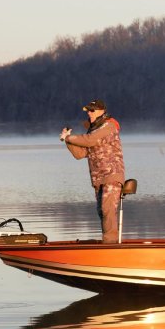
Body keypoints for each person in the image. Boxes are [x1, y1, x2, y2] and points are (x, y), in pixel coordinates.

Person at [59, 99, 125, 244]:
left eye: (92, 110)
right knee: (102, 212)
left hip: (112, 175)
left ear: (101, 111)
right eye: (88, 110)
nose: (89, 113)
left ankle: (110, 244)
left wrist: (70, 137)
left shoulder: (109, 126)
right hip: (98, 179)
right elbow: (80, 154)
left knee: (107, 210)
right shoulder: (94, 130)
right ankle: (108, 243)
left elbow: (89, 140)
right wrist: (67, 140)